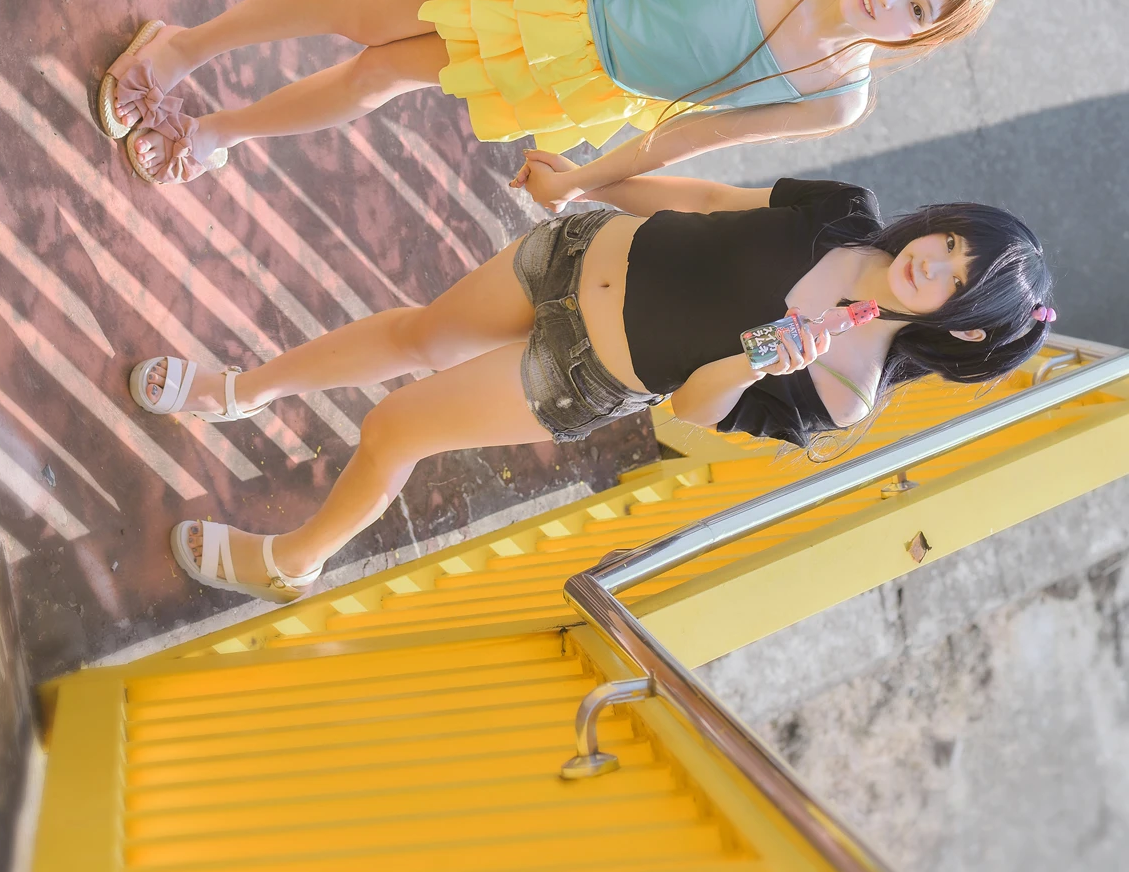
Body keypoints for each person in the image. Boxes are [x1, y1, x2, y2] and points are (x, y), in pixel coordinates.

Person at [127, 167, 1054, 601]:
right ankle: (239, 389)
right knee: (418, 334)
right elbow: (710, 201)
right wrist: (593, 178)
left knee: (395, 428)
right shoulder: (846, 213)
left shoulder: (843, 394)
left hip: (583, 369)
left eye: (957, 280)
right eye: (950, 243)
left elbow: (689, 411)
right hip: (574, 251)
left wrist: (763, 358)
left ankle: (292, 562)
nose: (933, 263)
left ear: (965, 327)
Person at [98, 0, 1001, 191]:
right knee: (365, 16)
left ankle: (215, 134)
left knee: (380, 77)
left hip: (577, 77)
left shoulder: (839, 98)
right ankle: (180, 50)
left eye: (918, 9)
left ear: (920, 37)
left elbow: (686, 138)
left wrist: (580, 183)